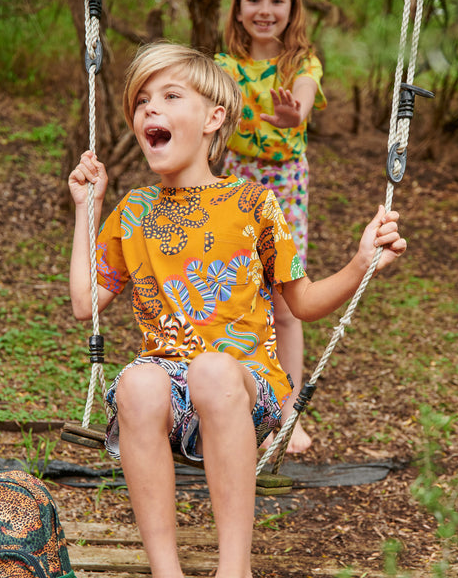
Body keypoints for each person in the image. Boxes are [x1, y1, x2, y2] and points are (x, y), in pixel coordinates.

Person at [68, 42, 406, 578]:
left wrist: (361, 261)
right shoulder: (134, 210)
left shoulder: (253, 203)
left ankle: (234, 570)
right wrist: (88, 209)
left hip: (246, 388)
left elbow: (303, 301)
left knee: (212, 369)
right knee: (136, 383)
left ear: (213, 118)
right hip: (171, 389)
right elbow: (86, 302)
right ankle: (166, 571)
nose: (149, 109)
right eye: (141, 102)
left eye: (170, 96)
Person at [215, 0, 327, 453]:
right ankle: (234, 406)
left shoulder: (301, 62)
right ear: (238, 9)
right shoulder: (222, 67)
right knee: (236, 294)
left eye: (276, 0)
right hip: (236, 182)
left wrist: (292, 114)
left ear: (292, 7)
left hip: (285, 185)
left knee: (284, 300)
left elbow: (300, 102)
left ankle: (287, 413)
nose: (265, 9)